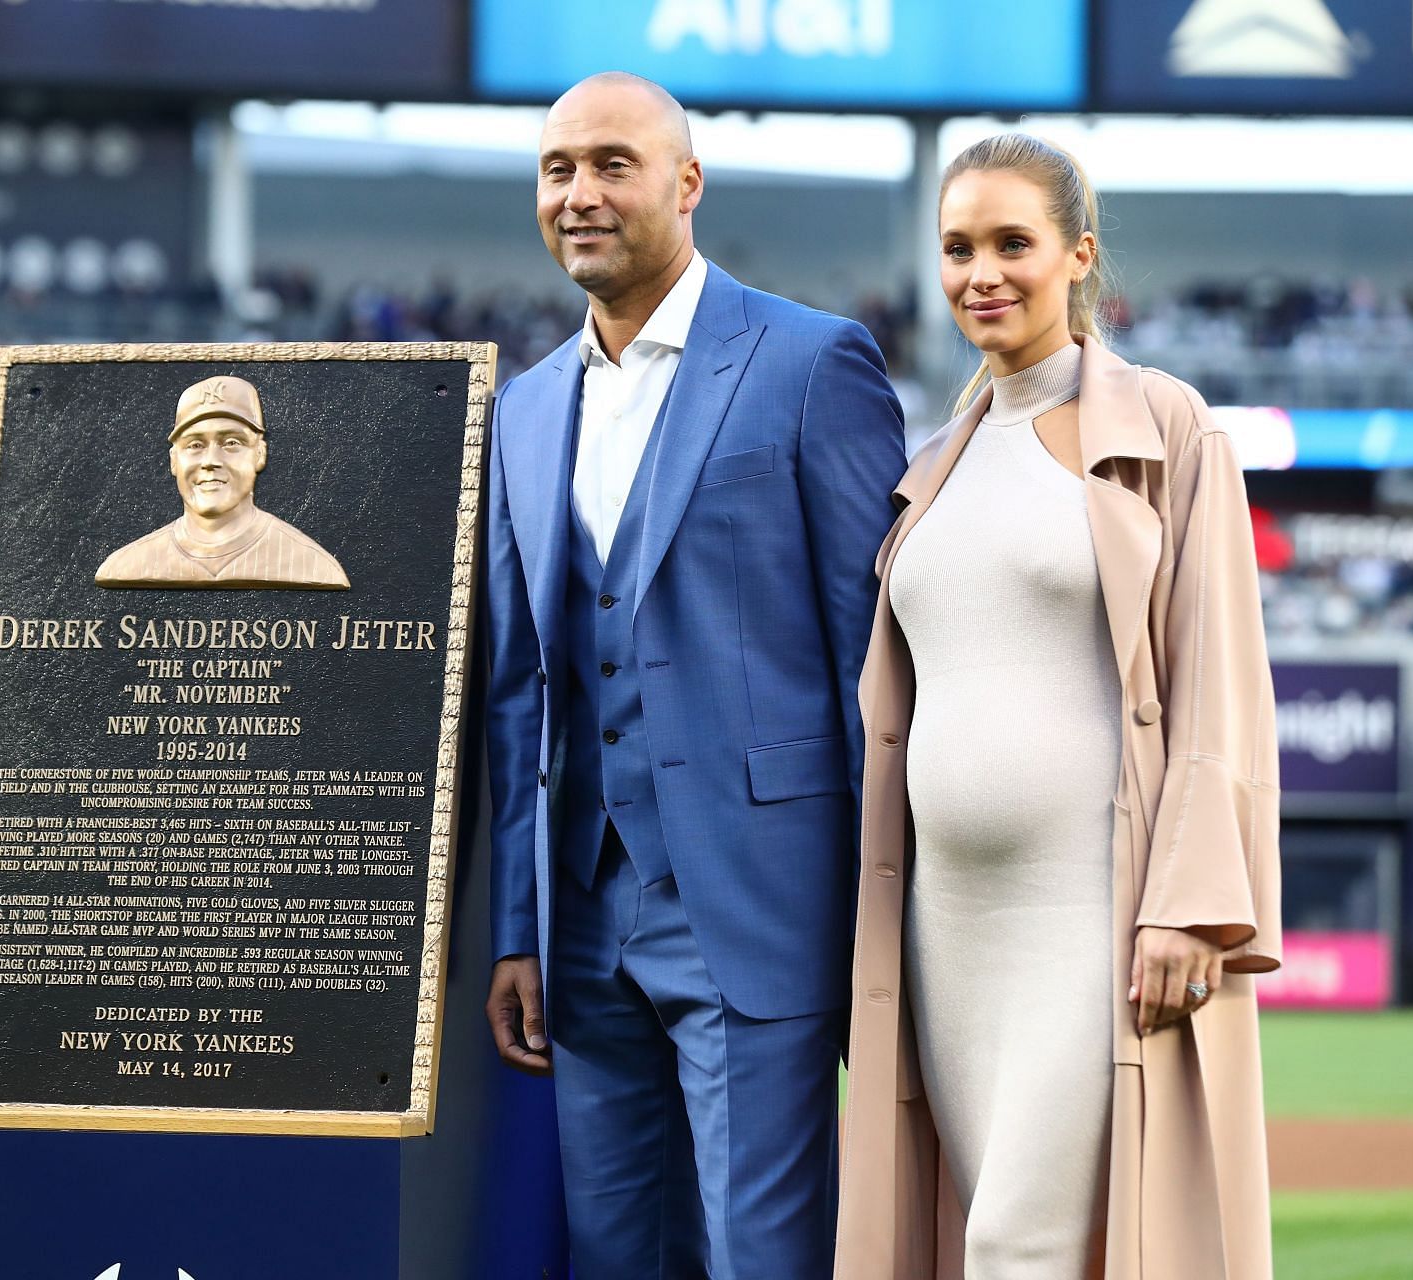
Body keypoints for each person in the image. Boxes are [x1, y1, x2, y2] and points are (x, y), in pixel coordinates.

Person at [480, 72, 906, 1278]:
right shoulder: (524, 408)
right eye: (558, 169)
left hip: (759, 907)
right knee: (615, 1253)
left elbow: (866, 662)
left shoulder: (815, 362)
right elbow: (522, 692)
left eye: (613, 163)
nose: (580, 193)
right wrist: (521, 925)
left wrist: (878, 917)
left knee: (763, 1257)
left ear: (687, 183)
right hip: (582, 922)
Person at [836, 133, 1281, 1280]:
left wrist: (1189, 900)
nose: (981, 271)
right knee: (988, 1231)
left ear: (1078, 255)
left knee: (1014, 1244)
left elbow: (1218, 678)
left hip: (1092, 912)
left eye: (1012, 244)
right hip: (946, 929)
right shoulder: (931, 460)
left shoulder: (1172, 429)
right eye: (957, 247)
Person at [96, 374, 349, 590]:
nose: (210, 461)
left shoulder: (311, 566)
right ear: (174, 460)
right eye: (195, 445)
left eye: (231, 443)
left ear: (259, 454)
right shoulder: (128, 566)